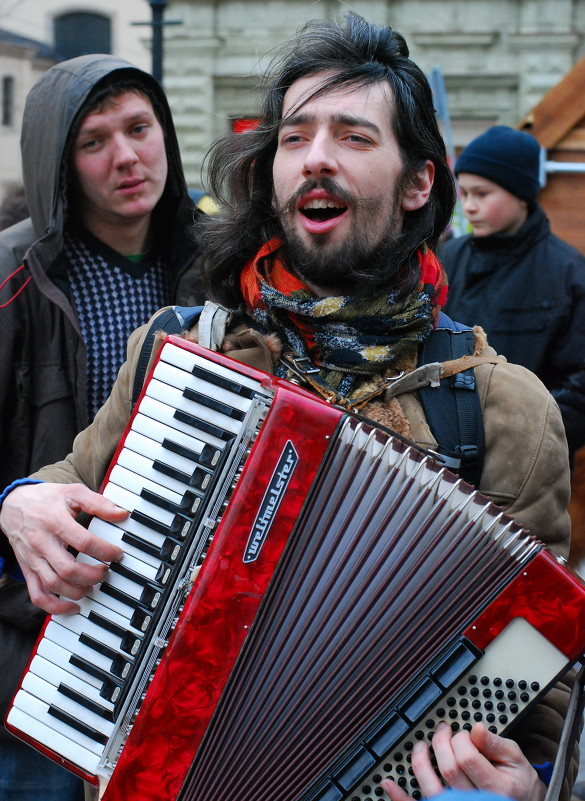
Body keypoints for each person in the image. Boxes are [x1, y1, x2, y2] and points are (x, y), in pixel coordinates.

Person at [0, 14, 576, 801]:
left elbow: (538, 687)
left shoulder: (503, 409)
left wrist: (529, 781)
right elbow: (67, 481)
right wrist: (23, 504)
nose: (315, 159)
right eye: (294, 135)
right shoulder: (181, 349)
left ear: (418, 183)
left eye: (353, 136)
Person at [0, 54, 204, 801]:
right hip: (36, 645)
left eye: (140, 128)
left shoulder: (221, 264)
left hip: (187, 639)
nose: (127, 157)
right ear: (60, 162)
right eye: (94, 141)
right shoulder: (12, 277)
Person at [439, 125, 585, 459]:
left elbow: (579, 384)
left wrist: (531, 444)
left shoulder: (567, 273)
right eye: (465, 194)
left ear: (521, 194)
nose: (470, 206)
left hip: (526, 462)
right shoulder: (447, 258)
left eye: (482, 194)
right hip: (443, 450)